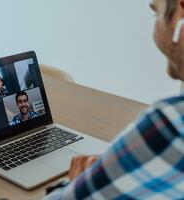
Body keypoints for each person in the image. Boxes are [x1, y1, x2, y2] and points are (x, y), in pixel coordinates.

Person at [44, 0, 184, 199]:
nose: (155, 31)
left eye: (156, 13)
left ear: (181, 12)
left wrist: (77, 183)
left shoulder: (170, 123)